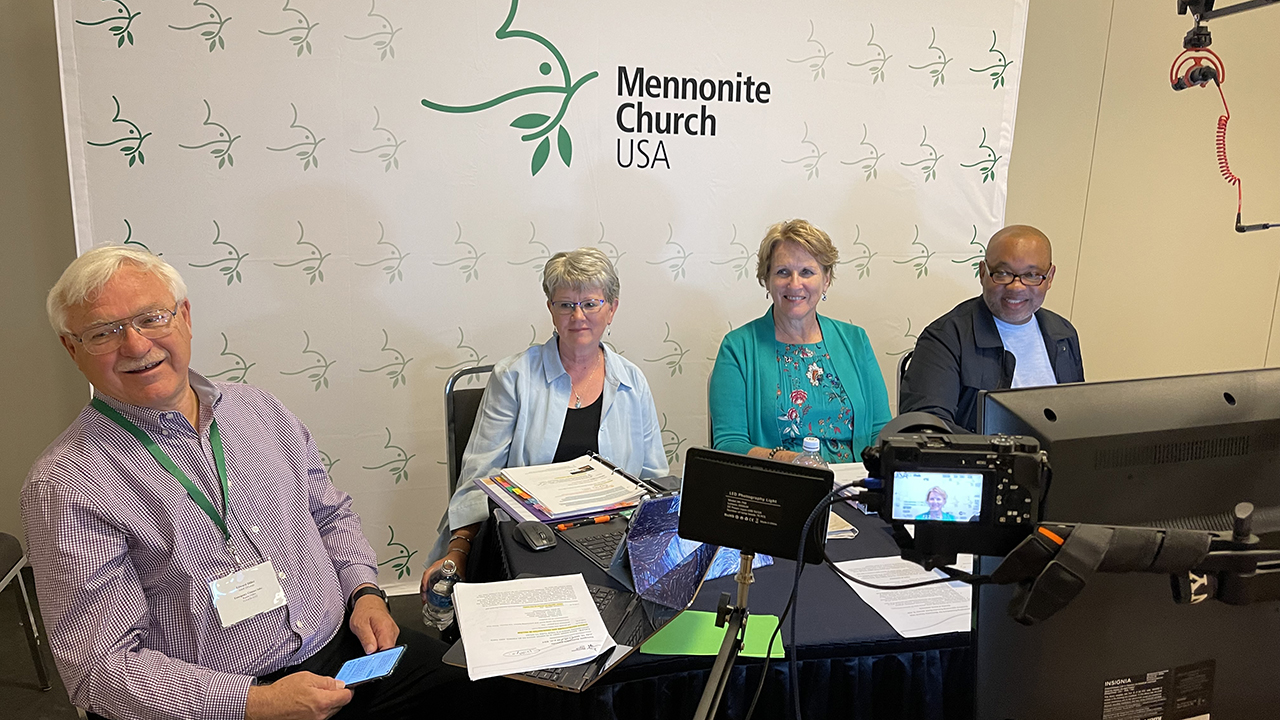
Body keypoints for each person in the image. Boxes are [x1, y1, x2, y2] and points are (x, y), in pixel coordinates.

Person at [22, 246, 488, 720]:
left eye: (152, 318)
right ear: (72, 349)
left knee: (495, 691)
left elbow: (330, 515)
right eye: (104, 332)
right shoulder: (64, 485)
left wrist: (364, 592)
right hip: (225, 702)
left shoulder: (257, 409)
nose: (137, 346)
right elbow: (100, 669)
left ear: (185, 317)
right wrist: (258, 702)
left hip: (346, 652)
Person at [424, 247, 668, 583]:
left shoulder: (632, 382)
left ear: (611, 309)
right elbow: (480, 478)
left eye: (590, 304)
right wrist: (459, 550)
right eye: (566, 305)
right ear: (551, 310)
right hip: (529, 542)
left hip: (611, 546)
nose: (578, 316)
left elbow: (654, 481)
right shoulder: (513, 377)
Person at [709, 219, 891, 464]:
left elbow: (881, 432)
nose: (795, 284)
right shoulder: (738, 348)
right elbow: (729, 444)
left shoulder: (856, 341)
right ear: (766, 280)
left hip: (855, 484)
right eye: (783, 272)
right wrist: (795, 461)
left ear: (826, 279)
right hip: (778, 482)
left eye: (806, 272)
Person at [899, 224, 1084, 433]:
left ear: (1049, 278)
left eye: (1032, 275)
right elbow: (927, 429)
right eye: (1003, 273)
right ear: (982, 273)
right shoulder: (945, 338)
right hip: (977, 455)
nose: (1016, 286)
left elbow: (1076, 419)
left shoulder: (1063, 334)